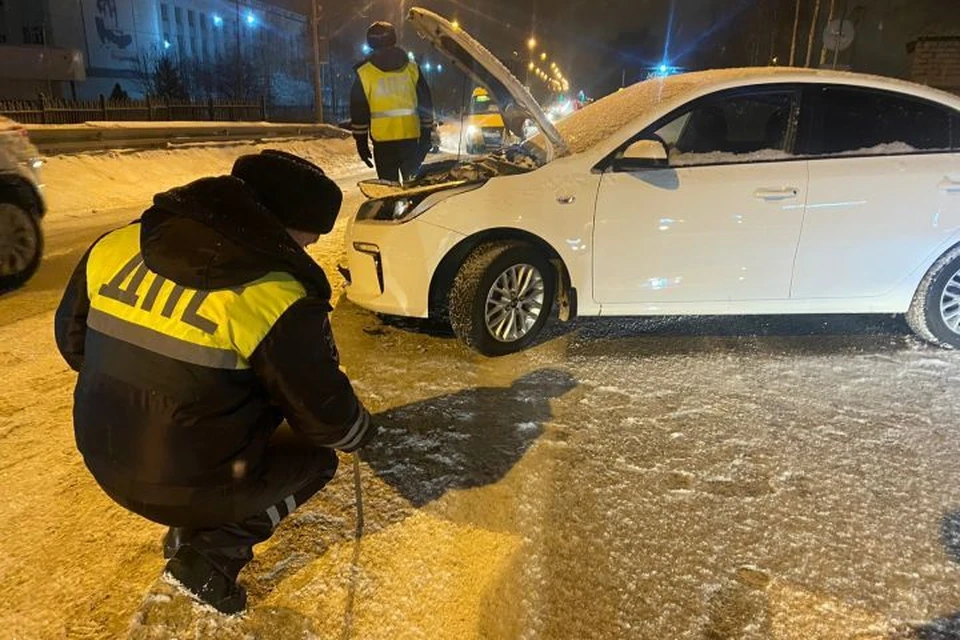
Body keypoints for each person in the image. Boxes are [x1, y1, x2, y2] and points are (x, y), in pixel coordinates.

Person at [54, 150, 375, 614]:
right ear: (277, 227)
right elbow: (324, 419)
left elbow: (72, 343)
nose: (303, 254)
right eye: (304, 243)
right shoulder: (275, 296)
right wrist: (362, 431)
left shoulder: (117, 244)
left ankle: (190, 517)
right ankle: (209, 557)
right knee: (316, 460)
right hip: (186, 481)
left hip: (100, 457)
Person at [350, 21, 434, 183]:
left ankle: (393, 208)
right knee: (413, 191)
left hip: (383, 146)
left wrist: (361, 142)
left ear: (370, 42)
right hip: (411, 143)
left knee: (389, 192)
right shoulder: (412, 69)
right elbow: (426, 104)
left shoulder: (364, 73)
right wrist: (426, 135)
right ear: (393, 38)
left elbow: (358, 111)